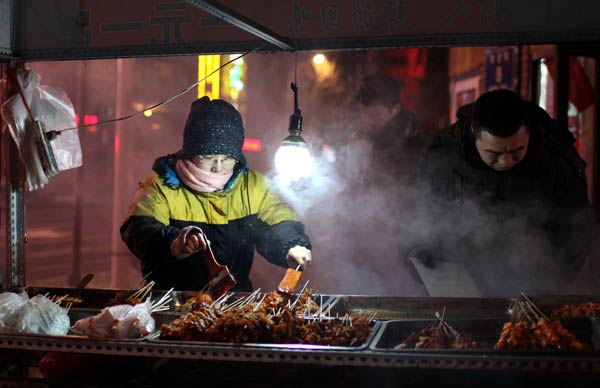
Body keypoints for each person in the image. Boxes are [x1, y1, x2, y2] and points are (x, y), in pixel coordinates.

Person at [413, 89, 596, 295]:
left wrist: (552, 280)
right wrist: (435, 269)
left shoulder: (555, 157)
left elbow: (577, 227)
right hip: (463, 281)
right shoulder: (445, 154)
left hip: (535, 280)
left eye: (517, 151)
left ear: (528, 131)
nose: (505, 161)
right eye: (494, 153)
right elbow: (422, 216)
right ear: (474, 133)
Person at [120, 97, 312, 291]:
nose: (218, 167)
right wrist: (173, 244)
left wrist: (292, 245)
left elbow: (277, 221)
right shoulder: (162, 185)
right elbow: (139, 230)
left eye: (228, 158)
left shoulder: (254, 187)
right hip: (172, 301)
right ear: (190, 152)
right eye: (208, 157)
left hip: (234, 303)